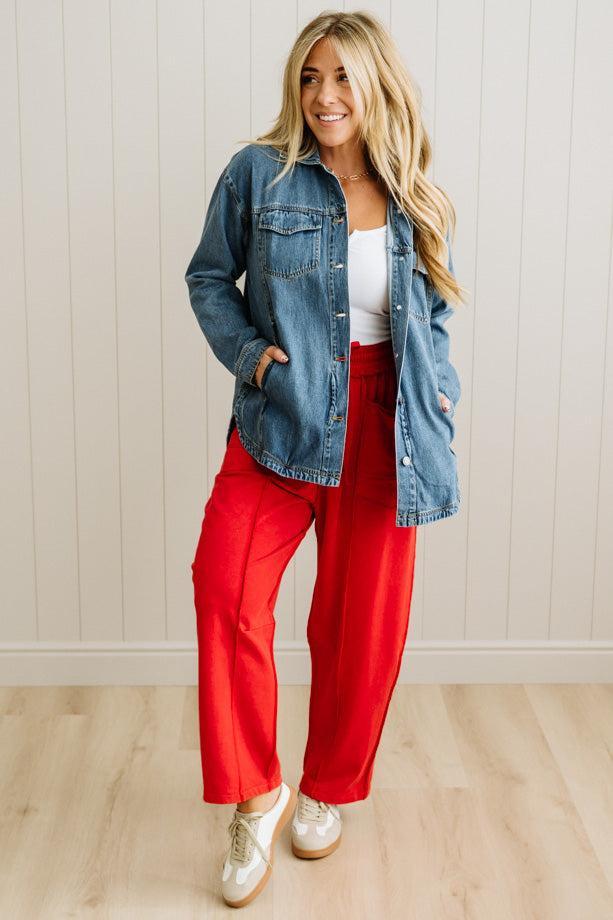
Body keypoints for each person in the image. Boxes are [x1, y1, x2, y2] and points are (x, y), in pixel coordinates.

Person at [184, 10, 467, 909]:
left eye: (342, 77)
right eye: (310, 77)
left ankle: (327, 789)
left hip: (390, 425)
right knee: (225, 590)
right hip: (283, 416)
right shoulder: (257, 173)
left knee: (362, 628)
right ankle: (254, 794)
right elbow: (207, 277)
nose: (324, 96)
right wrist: (251, 356)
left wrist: (441, 381)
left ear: (375, 83)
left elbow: (430, 313)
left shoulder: (411, 188)